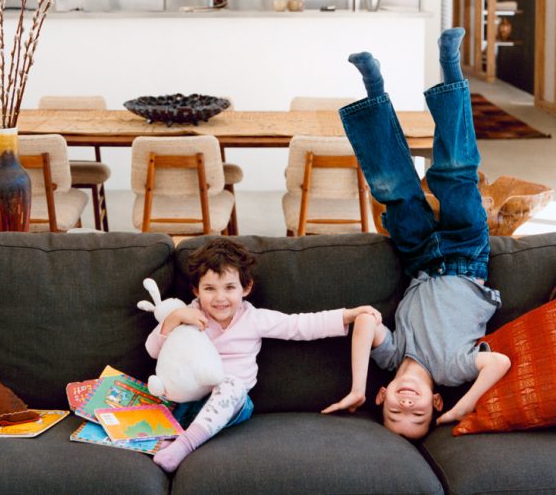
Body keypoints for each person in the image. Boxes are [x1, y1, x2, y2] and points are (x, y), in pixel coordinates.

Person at [322, 28, 511, 440]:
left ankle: (374, 88)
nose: (407, 408)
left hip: (420, 258)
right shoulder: (454, 369)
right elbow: (498, 364)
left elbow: (367, 323)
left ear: (382, 395)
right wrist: (464, 407)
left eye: (395, 413)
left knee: (393, 187)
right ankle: (450, 70)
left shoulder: (390, 359)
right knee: (456, 173)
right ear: (436, 403)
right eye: (419, 416)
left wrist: (357, 386)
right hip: (466, 254)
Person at [147, 237, 381, 471]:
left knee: (231, 386)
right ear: (196, 290)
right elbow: (156, 352)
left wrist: (349, 314)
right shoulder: (189, 313)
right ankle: (171, 435)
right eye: (209, 289)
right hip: (189, 398)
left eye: (229, 287)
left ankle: (184, 445)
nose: (219, 298)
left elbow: (300, 326)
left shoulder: (254, 319)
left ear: (245, 288)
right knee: (165, 399)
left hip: (233, 401)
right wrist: (174, 319)